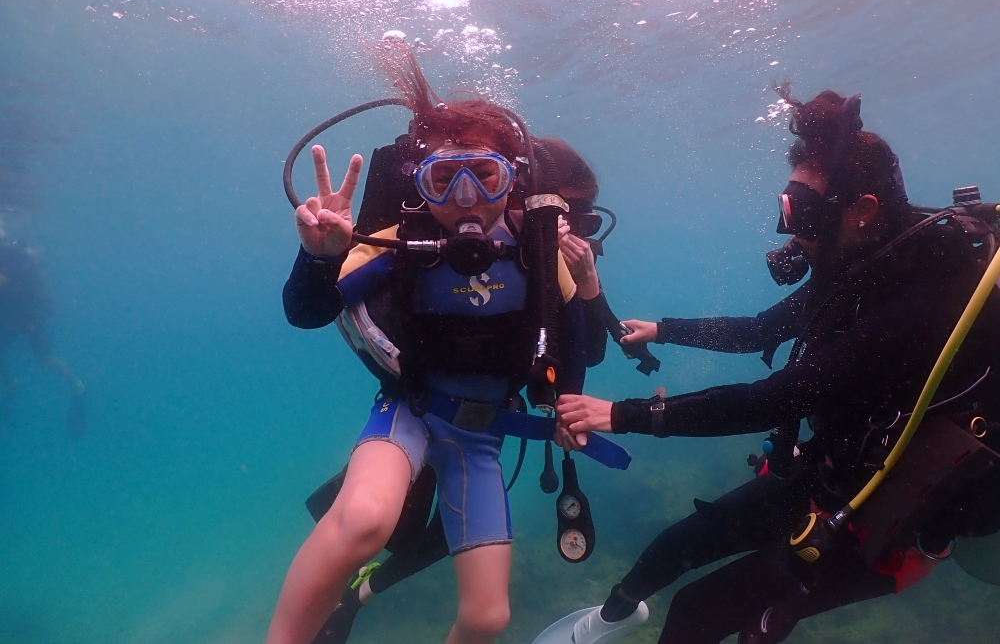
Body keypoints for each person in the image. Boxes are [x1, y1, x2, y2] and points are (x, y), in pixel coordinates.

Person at [552, 88, 1000, 644]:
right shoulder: (860, 266)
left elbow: (777, 398)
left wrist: (621, 414)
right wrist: (665, 329)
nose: (791, 231)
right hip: (836, 469)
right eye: (789, 208)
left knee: (698, 612)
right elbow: (763, 329)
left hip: (894, 512)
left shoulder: (921, 300)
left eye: (805, 214)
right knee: (674, 546)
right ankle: (607, 621)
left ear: (862, 211)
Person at [267, 40, 629, 644]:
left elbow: (575, 342)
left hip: (482, 437)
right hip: (410, 409)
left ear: (514, 181)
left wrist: (570, 401)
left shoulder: (540, 255)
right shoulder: (400, 241)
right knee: (362, 521)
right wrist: (319, 258)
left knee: (488, 617)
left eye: (484, 176)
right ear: (421, 183)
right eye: (444, 179)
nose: (465, 198)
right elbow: (307, 312)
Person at [0, 220, 86, 439]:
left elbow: (7, 281)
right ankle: (74, 385)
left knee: (45, 360)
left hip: (27, 317)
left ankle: (76, 386)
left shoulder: (12, 254)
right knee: (45, 360)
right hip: (22, 317)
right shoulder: (16, 251)